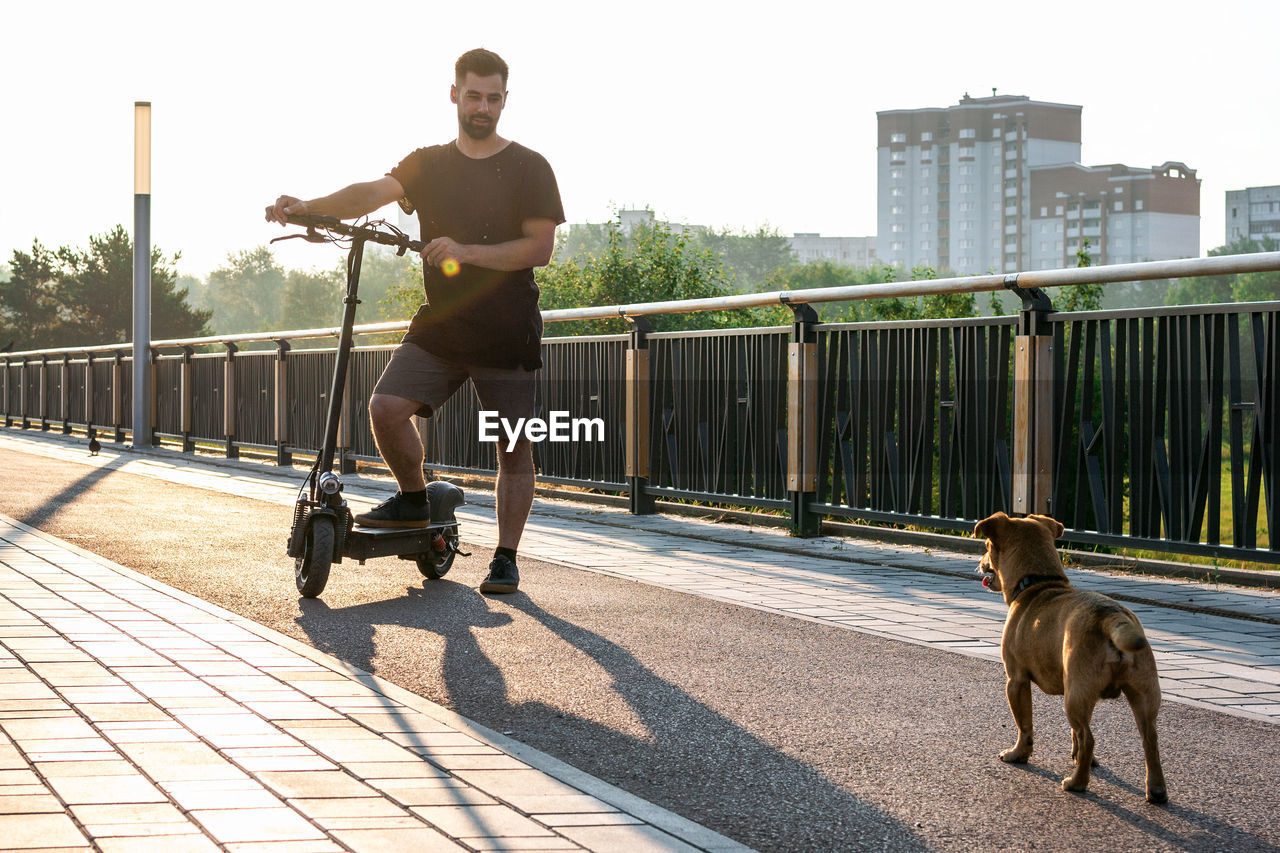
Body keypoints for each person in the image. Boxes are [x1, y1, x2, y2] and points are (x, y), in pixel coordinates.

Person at [265, 48, 564, 595]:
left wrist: (466, 252)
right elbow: (370, 193)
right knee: (386, 407)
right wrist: (310, 205)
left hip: (506, 329)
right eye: (473, 95)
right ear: (455, 95)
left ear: (505, 100)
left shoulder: (530, 166)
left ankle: (504, 557)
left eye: (493, 98)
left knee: (512, 447)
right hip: (443, 324)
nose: (483, 107)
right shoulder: (428, 163)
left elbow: (539, 248)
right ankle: (415, 497)